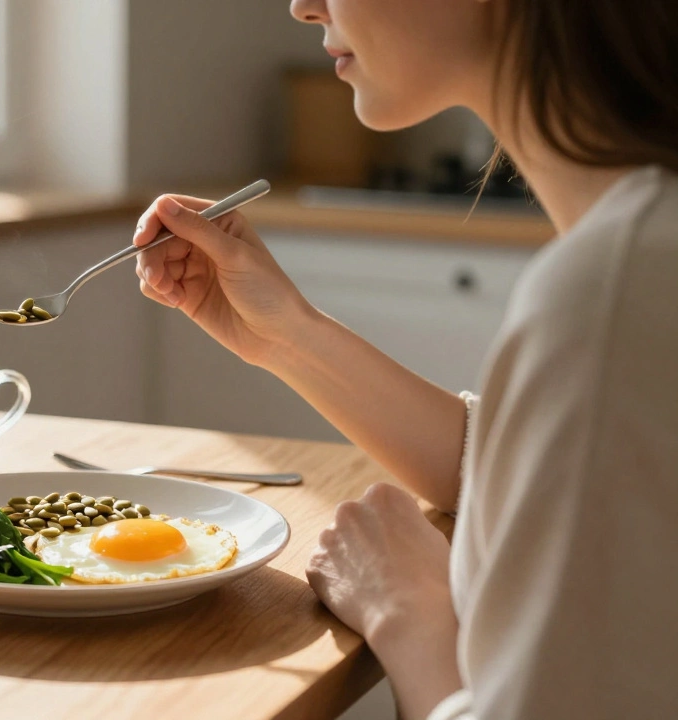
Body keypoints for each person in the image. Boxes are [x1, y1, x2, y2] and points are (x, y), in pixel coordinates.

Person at [133, 1, 678, 718]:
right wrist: (287, 336)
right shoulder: (638, 254)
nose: (303, 4)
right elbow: (526, 465)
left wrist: (408, 615)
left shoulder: (619, 286)